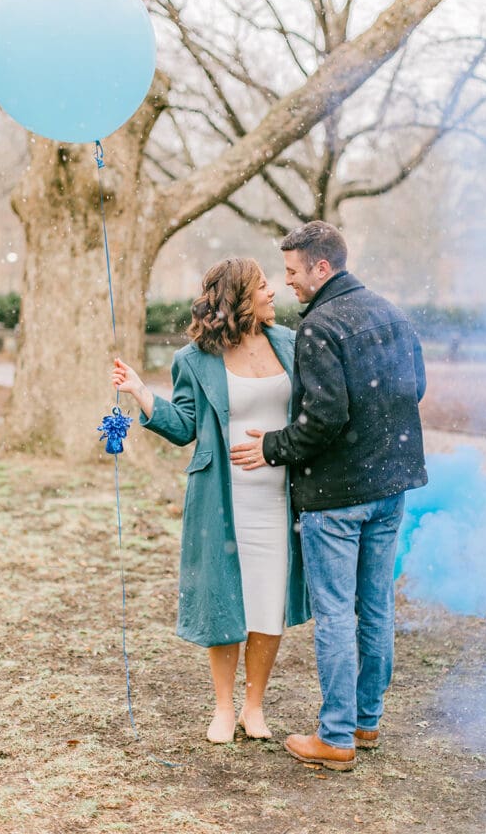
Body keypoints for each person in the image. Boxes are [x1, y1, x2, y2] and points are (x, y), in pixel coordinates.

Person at [230, 222, 427, 771]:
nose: (286, 282)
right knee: (375, 606)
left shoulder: (319, 327)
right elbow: (416, 387)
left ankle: (335, 736)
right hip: (391, 489)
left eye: (292, 272)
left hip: (337, 497)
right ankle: (365, 722)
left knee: (337, 613)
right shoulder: (390, 312)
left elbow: (324, 418)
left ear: (322, 268)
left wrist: (271, 447)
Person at [112, 257, 309, 745]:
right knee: (223, 601)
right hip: (222, 496)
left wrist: (281, 444)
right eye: (263, 286)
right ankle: (223, 709)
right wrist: (141, 393)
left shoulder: (289, 344)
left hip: (279, 497)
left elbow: (310, 415)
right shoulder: (195, 359)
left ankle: (254, 707)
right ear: (240, 297)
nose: (273, 293)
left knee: (269, 601)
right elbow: (183, 427)